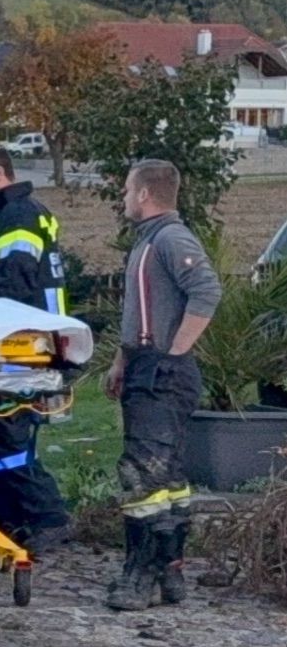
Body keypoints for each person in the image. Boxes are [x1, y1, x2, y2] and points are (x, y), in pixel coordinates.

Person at [102, 159, 221, 612]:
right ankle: (171, 572)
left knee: (142, 478)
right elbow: (138, 316)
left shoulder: (170, 239)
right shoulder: (147, 242)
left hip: (163, 371)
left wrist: (173, 353)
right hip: (145, 364)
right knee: (167, 478)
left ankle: (141, 575)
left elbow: (207, 291)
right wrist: (121, 361)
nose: (124, 198)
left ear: (146, 194)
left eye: (128, 190)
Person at [0, 143, 71, 548]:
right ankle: (8, 523)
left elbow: (15, 283)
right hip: (25, 343)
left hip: (22, 345)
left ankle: (48, 517)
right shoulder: (16, 212)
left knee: (8, 440)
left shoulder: (17, 215)